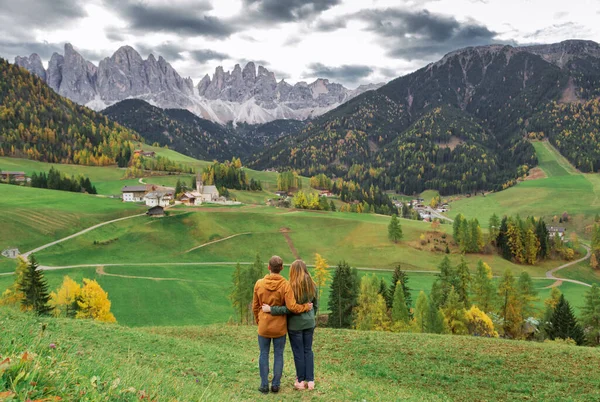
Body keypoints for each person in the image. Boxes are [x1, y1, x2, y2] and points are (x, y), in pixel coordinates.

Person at [252, 255, 313, 395]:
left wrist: (259, 321)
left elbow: (255, 307)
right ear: (281, 268)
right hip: (280, 327)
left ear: (268, 267)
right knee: (278, 354)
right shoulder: (286, 284)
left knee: (263, 354)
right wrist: (305, 307)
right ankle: (275, 385)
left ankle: (263, 385)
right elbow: (292, 307)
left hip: (264, 326)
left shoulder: (259, 284)